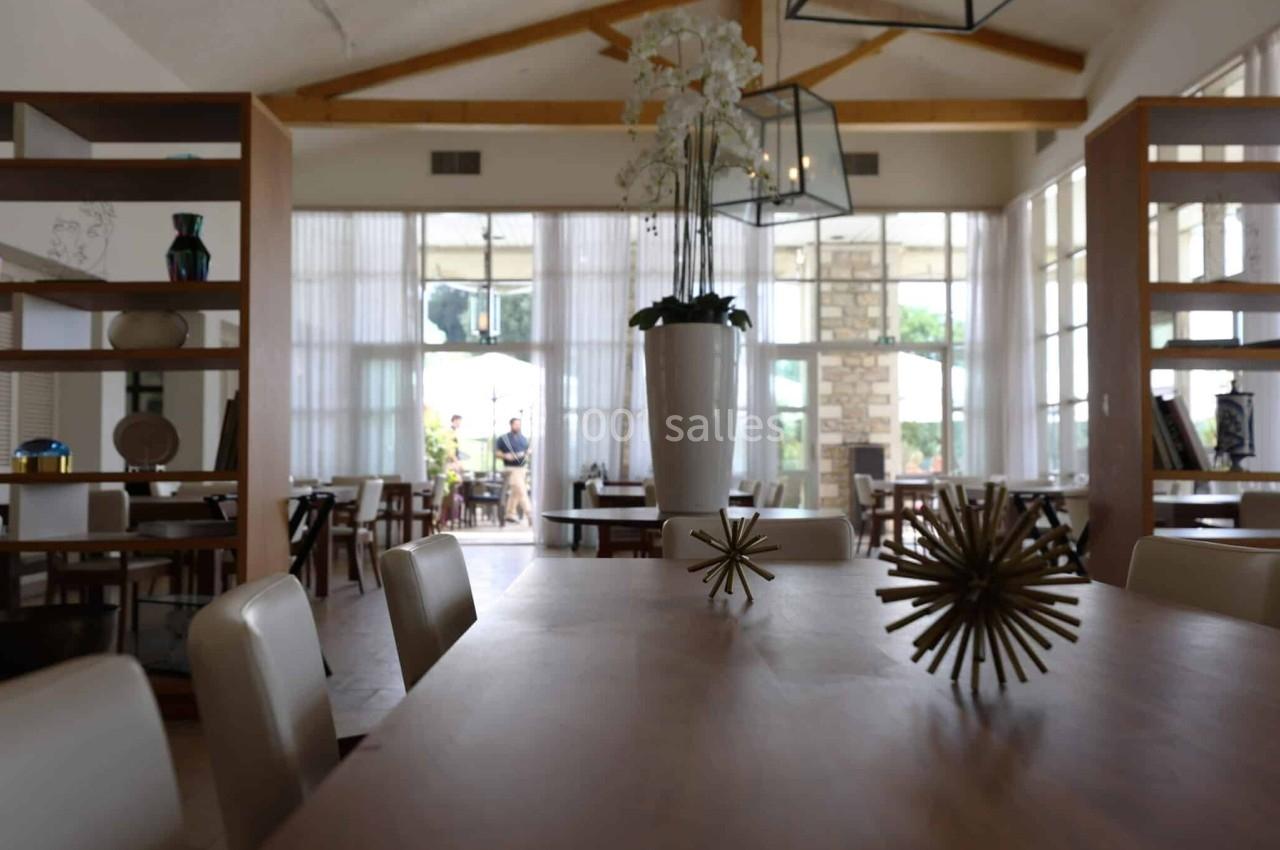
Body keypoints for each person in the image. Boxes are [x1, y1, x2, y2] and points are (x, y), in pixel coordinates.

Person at [496, 417, 532, 524]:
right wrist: (505, 456)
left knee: (516, 492)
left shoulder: (523, 439)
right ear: (511, 425)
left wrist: (528, 453)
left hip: (522, 469)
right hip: (510, 469)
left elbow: (528, 451)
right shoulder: (503, 439)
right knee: (521, 490)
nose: (518, 426)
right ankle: (530, 513)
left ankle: (510, 514)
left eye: (519, 424)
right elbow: (496, 453)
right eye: (516, 424)